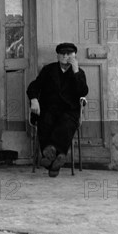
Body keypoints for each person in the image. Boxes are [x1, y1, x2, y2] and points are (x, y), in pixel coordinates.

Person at [27, 42, 88, 177]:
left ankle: (50, 154)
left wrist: (76, 71)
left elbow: (83, 91)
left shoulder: (79, 72)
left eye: (69, 54)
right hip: (49, 108)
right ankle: (57, 156)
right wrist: (33, 99)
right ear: (58, 56)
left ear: (75, 56)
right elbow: (34, 86)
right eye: (63, 54)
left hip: (69, 111)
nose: (66, 56)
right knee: (45, 121)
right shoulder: (48, 70)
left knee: (66, 124)